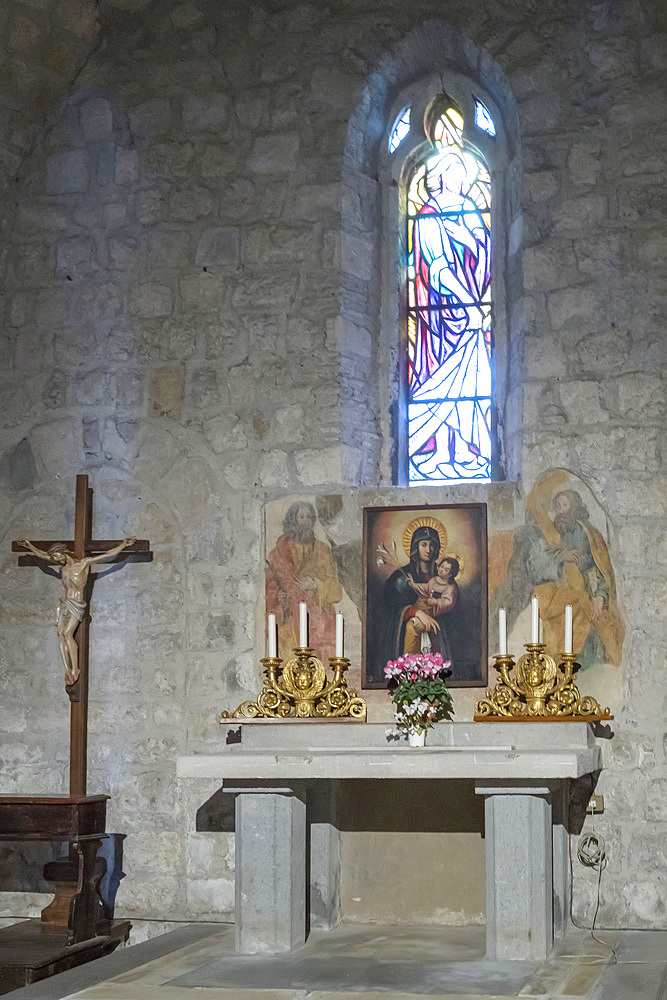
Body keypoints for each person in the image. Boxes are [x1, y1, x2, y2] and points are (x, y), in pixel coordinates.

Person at [498, 471, 624, 668]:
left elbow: (600, 567)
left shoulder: (588, 533)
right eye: (557, 506)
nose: (560, 510)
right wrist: (560, 557)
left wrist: (601, 594)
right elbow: (536, 562)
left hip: (583, 592)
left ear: (574, 506)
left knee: (586, 635)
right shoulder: (548, 532)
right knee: (551, 638)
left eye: (564, 505)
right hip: (554, 595)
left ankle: (579, 673)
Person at [16, 537, 137, 686]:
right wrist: (29, 545)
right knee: (60, 634)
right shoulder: (63, 566)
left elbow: (107, 555)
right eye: (54, 558)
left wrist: (123, 545)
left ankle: (75, 669)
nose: (56, 560)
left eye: (57, 556)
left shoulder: (83, 563)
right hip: (65, 603)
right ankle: (67, 669)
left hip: (77, 603)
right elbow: (43, 555)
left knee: (67, 633)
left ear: (63, 552)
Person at [265, 501, 343, 657]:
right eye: (301, 517)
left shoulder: (322, 550)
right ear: (293, 520)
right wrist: (278, 596)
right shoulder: (278, 553)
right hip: (289, 618)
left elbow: (336, 588)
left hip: (317, 619)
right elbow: (270, 585)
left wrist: (316, 584)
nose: (305, 521)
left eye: (309, 517)